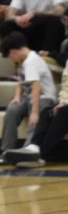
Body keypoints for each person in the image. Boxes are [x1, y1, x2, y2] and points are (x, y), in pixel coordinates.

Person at [5, 24, 68, 164]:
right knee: (48, 111)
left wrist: (65, 104)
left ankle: (43, 154)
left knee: (63, 113)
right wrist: (63, 101)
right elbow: (66, 86)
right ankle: (34, 146)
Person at [0, 29, 58, 163]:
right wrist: (17, 97)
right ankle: (6, 150)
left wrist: (34, 112)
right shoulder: (22, 61)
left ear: (13, 51)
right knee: (12, 110)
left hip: (44, 97)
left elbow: (36, 87)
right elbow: (21, 80)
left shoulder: (32, 60)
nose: (11, 59)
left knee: (34, 115)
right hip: (29, 97)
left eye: (10, 56)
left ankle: (28, 150)